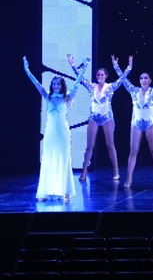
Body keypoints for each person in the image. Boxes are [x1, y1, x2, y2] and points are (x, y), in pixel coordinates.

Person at [24, 56, 86, 201]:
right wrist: (27, 70)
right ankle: (47, 191)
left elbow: (77, 83)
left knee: (63, 160)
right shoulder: (48, 96)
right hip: (50, 134)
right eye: (54, 84)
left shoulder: (67, 97)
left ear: (62, 85)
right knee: (49, 160)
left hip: (62, 134)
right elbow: (36, 84)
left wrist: (83, 70)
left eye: (58, 84)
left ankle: (64, 191)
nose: (56, 86)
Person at [75, 54, 129, 182]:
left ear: (106, 76)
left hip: (107, 118)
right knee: (89, 146)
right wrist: (72, 65)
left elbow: (122, 78)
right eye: (98, 75)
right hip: (94, 118)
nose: (99, 77)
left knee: (110, 145)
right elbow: (80, 77)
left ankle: (116, 171)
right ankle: (84, 171)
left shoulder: (110, 87)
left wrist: (121, 66)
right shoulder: (92, 86)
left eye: (102, 75)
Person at [122, 54, 153, 188]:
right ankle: (129, 178)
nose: (143, 80)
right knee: (133, 151)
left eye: (145, 78)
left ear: (150, 80)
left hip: (151, 123)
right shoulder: (134, 91)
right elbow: (123, 79)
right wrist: (123, 67)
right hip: (136, 123)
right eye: (141, 78)